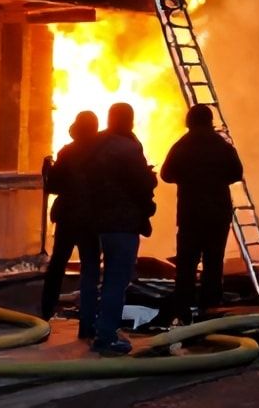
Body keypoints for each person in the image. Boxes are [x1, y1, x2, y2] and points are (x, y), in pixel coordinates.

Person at [161, 103, 245, 323]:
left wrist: (188, 177)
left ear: (189, 121)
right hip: (218, 214)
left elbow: (166, 174)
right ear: (210, 121)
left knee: (186, 264)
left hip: (190, 213)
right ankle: (210, 312)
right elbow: (236, 173)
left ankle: (183, 311)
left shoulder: (182, 145)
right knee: (214, 262)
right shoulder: (222, 145)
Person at [86, 102, 158, 355]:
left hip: (102, 222)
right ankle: (107, 336)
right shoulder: (128, 148)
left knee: (108, 280)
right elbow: (140, 185)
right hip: (124, 223)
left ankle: (101, 329)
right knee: (118, 279)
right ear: (129, 120)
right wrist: (150, 182)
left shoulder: (96, 145)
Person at [40, 110, 101, 332]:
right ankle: (88, 320)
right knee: (91, 268)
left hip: (68, 217)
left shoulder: (67, 153)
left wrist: (48, 172)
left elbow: (54, 186)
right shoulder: (102, 153)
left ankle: (46, 312)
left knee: (57, 264)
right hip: (92, 219)